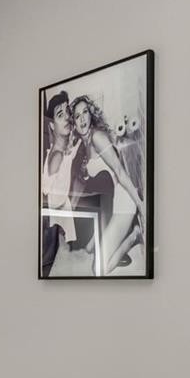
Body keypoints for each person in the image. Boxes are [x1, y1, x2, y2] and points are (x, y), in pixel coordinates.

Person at [68, 95, 145, 275]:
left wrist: (141, 205)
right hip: (111, 202)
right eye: (77, 116)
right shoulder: (85, 142)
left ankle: (134, 235)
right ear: (74, 123)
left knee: (98, 270)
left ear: (91, 114)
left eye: (85, 112)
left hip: (123, 202)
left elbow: (119, 171)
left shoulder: (97, 137)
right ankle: (115, 237)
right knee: (88, 248)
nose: (82, 119)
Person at [40, 91, 76, 274]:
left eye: (67, 111)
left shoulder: (60, 151)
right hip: (58, 231)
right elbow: (53, 201)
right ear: (52, 125)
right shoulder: (57, 156)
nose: (67, 117)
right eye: (60, 115)